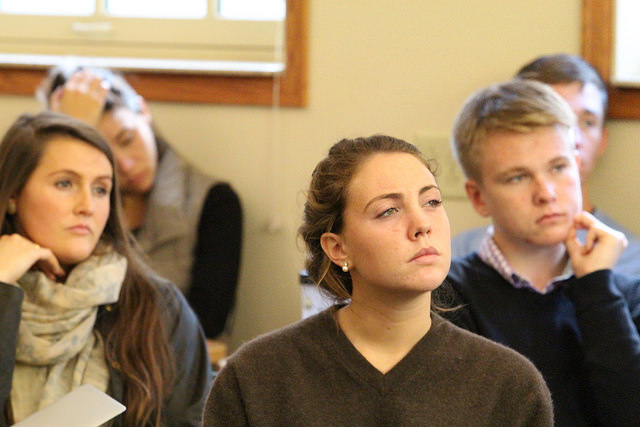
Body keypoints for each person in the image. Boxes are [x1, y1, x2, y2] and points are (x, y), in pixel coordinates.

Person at [203, 135, 554, 426]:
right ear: (338, 248)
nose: (422, 224)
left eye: (431, 201)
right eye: (388, 210)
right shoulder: (255, 378)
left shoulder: (509, 385)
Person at [441, 79, 640, 426]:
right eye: (517, 177)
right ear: (478, 197)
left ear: (577, 166)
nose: (546, 193)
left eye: (559, 167)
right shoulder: (447, 295)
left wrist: (596, 287)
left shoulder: (623, 294)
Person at [0, 112, 212, 426]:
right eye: (65, 183)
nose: (87, 205)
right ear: (14, 194)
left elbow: (193, 419)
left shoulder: (157, 306)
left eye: (101, 189)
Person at [37, 65, 243, 339]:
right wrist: (65, 139)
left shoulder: (214, 201)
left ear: (143, 111)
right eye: (104, 153)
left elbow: (206, 322)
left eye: (127, 138)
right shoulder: (74, 209)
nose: (125, 163)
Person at [451, 53, 640, 276]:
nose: (575, 137)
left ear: (603, 139)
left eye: (587, 122)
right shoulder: (458, 255)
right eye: (552, 115)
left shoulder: (630, 261)